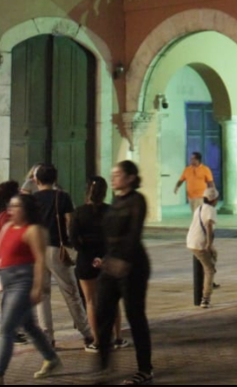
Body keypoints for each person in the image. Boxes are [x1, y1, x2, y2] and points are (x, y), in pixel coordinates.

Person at [0, 192, 63, 385]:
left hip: (23, 281)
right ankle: (51, 358)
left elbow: (39, 260)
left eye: (16, 206)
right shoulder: (8, 227)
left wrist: (38, 286)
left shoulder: (33, 230)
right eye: (10, 206)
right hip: (8, 280)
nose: (11, 210)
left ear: (26, 210)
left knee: (7, 327)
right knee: (28, 325)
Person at [95, 161, 152, 385]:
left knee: (135, 316)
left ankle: (145, 369)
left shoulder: (137, 200)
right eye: (112, 174)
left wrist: (124, 261)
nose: (113, 178)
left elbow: (133, 233)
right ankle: (103, 367)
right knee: (103, 314)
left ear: (130, 177)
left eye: (118, 174)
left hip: (133, 265)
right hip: (111, 264)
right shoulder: (116, 201)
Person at [31, 164, 94, 349]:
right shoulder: (62, 197)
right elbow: (70, 222)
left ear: (37, 180)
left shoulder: (33, 199)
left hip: (37, 250)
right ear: (55, 179)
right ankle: (87, 333)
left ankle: (47, 337)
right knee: (71, 292)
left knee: (42, 295)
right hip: (56, 249)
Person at [70, 176, 113, 353]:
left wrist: (89, 255)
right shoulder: (111, 211)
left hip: (86, 261)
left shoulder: (79, 212)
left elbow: (73, 239)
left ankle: (97, 340)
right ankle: (112, 336)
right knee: (110, 301)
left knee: (90, 301)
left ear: (87, 192)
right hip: (107, 260)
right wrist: (102, 257)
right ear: (105, 193)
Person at [186, 184, 218, 309]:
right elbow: (209, 226)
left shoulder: (199, 208)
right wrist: (209, 244)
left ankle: (210, 282)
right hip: (200, 244)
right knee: (209, 270)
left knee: (214, 254)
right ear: (214, 200)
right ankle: (205, 298)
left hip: (191, 241)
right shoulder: (211, 210)